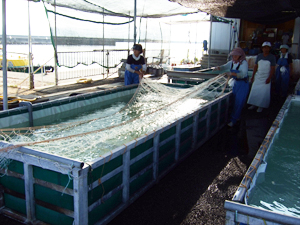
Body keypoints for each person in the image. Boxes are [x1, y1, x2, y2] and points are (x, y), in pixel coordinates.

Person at [215, 47, 249, 127]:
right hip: (235, 83)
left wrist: (232, 74)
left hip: (242, 84)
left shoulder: (244, 63)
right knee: (234, 101)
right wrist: (218, 68)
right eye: (233, 56)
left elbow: (243, 74)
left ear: (240, 56)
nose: (234, 57)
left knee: (239, 102)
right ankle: (236, 117)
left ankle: (234, 120)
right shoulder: (232, 62)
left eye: (236, 56)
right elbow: (224, 67)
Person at [247, 42, 276, 112]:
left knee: (263, 92)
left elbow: (272, 68)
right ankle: (254, 104)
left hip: (266, 77)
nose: (266, 49)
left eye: (267, 48)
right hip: (258, 76)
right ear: (262, 48)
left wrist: (269, 78)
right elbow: (255, 66)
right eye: (264, 48)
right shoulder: (259, 56)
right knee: (255, 90)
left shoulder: (272, 57)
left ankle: (261, 106)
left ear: (269, 49)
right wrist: (253, 76)